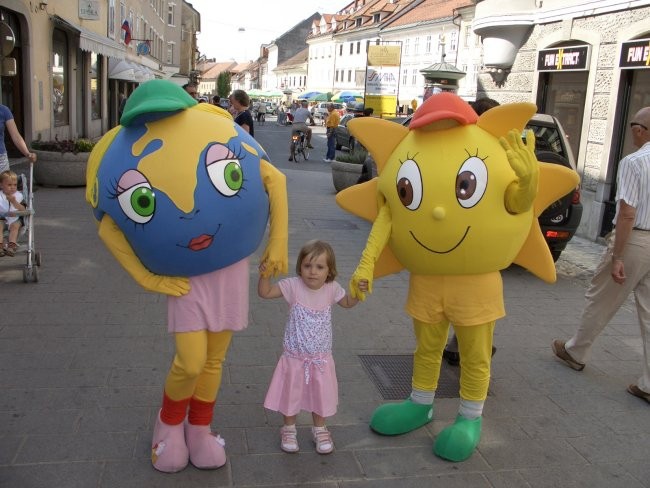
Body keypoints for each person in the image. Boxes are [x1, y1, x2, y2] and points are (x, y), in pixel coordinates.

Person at [552, 106, 650, 404]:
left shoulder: (635, 162)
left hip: (635, 241)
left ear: (640, 130)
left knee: (601, 297)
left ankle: (576, 350)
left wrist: (618, 256)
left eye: (634, 124)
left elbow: (627, 213)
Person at [258, 240, 367, 454]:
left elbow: (346, 303)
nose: (312, 272)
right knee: (290, 393)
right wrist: (265, 274)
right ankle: (288, 428)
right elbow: (265, 293)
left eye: (319, 267)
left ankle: (320, 428)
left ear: (329, 271)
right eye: (307, 266)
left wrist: (357, 292)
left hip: (320, 358)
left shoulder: (331, 289)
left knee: (320, 394)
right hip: (294, 357)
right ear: (300, 267)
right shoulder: (292, 286)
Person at [442, 97, 501, 366]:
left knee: (470, 295)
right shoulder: (493, 147)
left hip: (471, 238)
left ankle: (465, 345)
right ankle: (466, 344)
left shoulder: (478, 146)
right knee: (471, 296)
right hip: (473, 238)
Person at [0, 104, 37, 173]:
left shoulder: (4, 110)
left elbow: (15, 136)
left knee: (3, 183)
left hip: (1, 158)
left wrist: (27, 153)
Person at [0, 170, 26, 257]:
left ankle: (12, 245)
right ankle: (0, 245)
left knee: (15, 226)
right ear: (1, 185)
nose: (13, 187)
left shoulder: (19, 196)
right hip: (2, 218)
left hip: (16, 218)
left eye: (15, 185)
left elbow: (23, 209)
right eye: (9, 185)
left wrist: (15, 202)